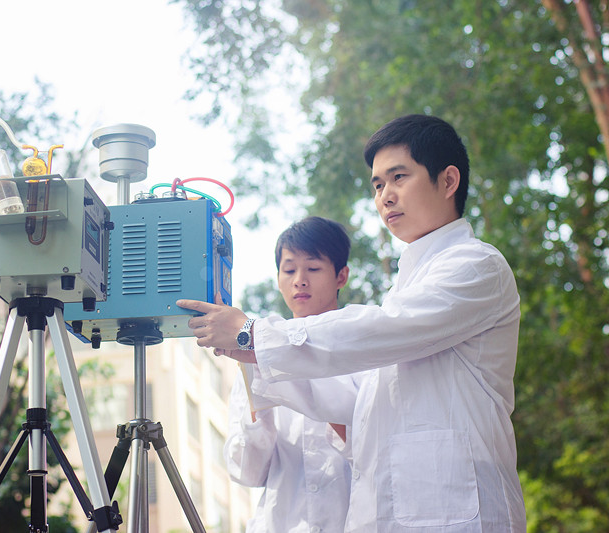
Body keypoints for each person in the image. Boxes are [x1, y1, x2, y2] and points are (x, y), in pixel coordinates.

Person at [178, 114, 526, 531]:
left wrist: (252, 334)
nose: (385, 196)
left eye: (399, 177)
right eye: (378, 185)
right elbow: (347, 400)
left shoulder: (475, 265)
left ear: (448, 181)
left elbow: (388, 328)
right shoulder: (408, 284)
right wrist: (249, 352)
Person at [225, 216, 353, 533]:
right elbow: (247, 473)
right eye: (289, 269)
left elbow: (374, 448)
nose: (299, 280)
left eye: (313, 268)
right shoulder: (255, 354)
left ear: (341, 276)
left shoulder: (362, 346)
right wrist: (258, 403)